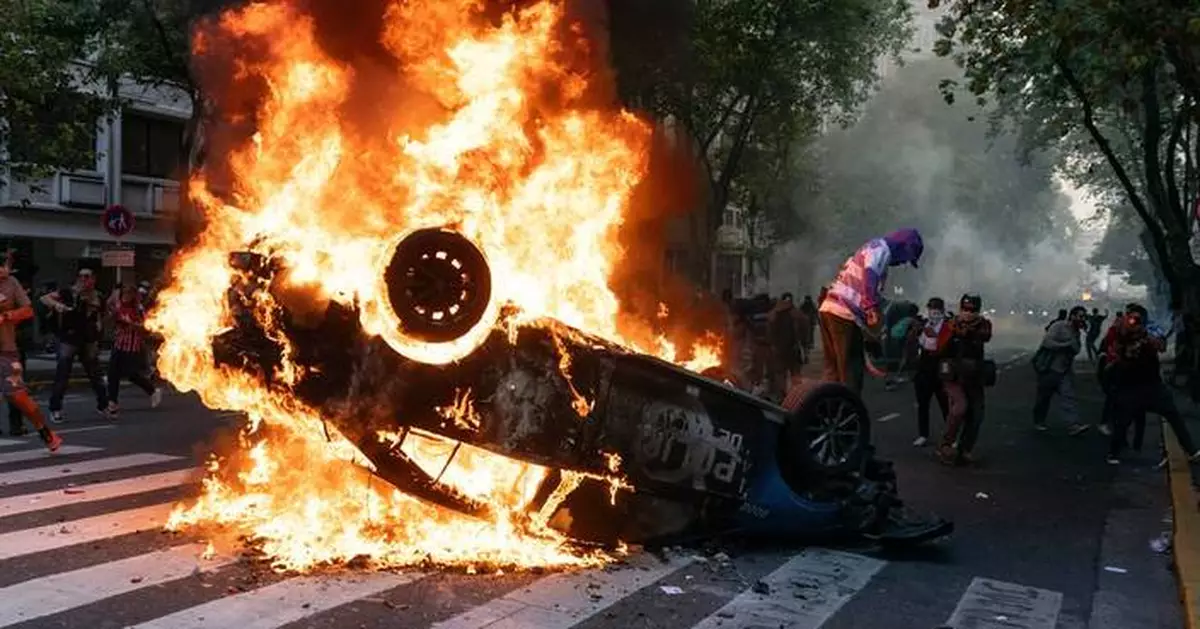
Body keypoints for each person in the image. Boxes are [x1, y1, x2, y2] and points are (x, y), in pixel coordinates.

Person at [817, 228, 924, 394]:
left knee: (834, 366)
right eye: (906, 259)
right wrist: (870, 307)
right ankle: (849, 405)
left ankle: (825, 401)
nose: (902, 263)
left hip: (829, 308)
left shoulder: (870, 248)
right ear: (905, 247)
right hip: (843, 313)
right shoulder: (881, 250)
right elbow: (870, 276)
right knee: (852, 367)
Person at [1105, 304, 1200, 465]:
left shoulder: (1150, 331)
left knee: (1174, 416)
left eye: (1136, 318)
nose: (1132, 321)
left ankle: (1191, 451)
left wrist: (1144, 335)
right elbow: (1117, 349)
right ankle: (1113, 453)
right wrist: (1127, 333)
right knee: (1123, 421)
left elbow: (1161, 346)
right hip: (1131, 385)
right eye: (1130, 317)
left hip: (1153, 384)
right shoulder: (1120, 330)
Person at [0, 262, 62, 451]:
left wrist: (7, 315)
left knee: (19, 396)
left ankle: (44, 430)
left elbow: (28, 310)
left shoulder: (10, 283)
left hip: (6, 351)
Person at [40, 268, 109, 422]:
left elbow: (100, 318)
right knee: (63, 375)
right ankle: (55, 408)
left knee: (95, 375)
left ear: (94, 279)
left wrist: (98, 338)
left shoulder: (98, 296)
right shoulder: (68, 293)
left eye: (87, 276)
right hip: (69, 338)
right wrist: (58, 306)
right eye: (81, 276)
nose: (84, 280)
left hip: (88, 339)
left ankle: (103, 405)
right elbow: (45, 299)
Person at [936, 294, 993, 465]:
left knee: (977, 415)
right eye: (965, 309)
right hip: (953, 375)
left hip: (974, 375)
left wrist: (967, 330)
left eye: (972, 310)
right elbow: (938, 347)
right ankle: (946, 444)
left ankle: (965, 448)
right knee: (960, 408)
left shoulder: (983, 325)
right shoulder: (950, 325)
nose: (968, 313)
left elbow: (985, 335)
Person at [1032, 305, 1088, 434]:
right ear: (1072, 316)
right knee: (1043, 398)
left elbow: (1076, 349)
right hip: (1049, 368)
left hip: (1064, 370)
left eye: (1084, 317)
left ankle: (1073, 424)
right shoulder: (1059, 326)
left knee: (1068, 397)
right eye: (1080, 316)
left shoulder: (1076, 332)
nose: (1082, 319)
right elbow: (1047, 342)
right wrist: (1065, 345)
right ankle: (1039, 421)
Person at [912, 297, 951, 447]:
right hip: (924, 370)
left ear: (942, 312)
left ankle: (951, 435)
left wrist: (933, 336)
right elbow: (919, 345)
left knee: (945, 405)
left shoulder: (947, 328)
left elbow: (941, 348)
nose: (933, 314)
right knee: (923, 404)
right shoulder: (925, 325)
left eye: (936, 311)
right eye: (931, 310)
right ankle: (923, 434)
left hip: (940, 371)